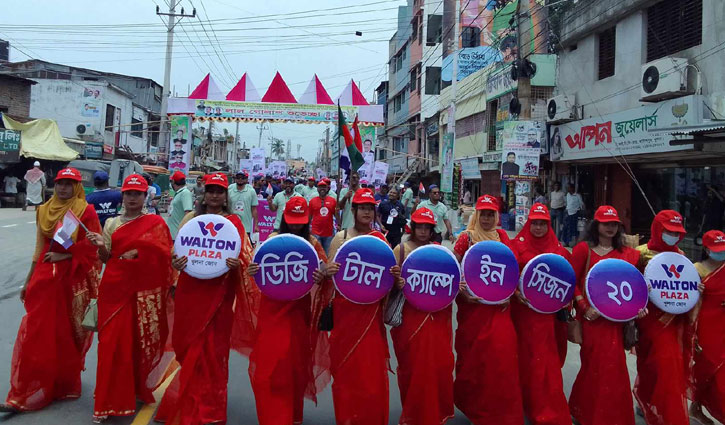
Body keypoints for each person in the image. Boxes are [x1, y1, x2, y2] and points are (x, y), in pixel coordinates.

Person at [155, 172, 255, 425]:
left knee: (213, 351)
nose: (214, 195)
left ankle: (208, 408)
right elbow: (176, 252)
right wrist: (175, 262)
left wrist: (237, 263)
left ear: (226, 196)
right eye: (210, 190)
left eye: (219, 191)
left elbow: (246, 257)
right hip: (190, 290)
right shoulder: (192, 219)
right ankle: (187, 397)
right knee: (185, 346)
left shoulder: (234, 223)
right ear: (204, 193)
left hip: (219, 295)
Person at [0, 167, 102, 413]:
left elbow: (94, 246)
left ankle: (61, 384)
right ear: (53, 185)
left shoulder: (84, 211)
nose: (63, 188)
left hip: (70, 280)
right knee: (37, 330)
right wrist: (28, 279)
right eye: (60, 183)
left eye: (69, 184)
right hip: (44, 279)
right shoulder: (44, 210)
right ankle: (24, 392)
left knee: (63, 333)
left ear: (77, 187)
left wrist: (67, 255)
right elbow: (39, 248)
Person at [86, 174, 174, 423]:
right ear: (122, 196)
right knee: (111, 345)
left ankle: (132, 390)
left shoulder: (155, 222)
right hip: (114, 290)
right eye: (128, 193)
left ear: (145, 196)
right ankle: (105, 402)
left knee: (135, 345)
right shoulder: (112, 223)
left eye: (137, 194)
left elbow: (164, 255)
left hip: (142, 293)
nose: (132, 198)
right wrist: (101, 245)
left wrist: (141, 252)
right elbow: (106, 259)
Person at [246, 197, 331, 425]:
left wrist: (322, 275)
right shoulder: (271, 241)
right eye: (292, 221)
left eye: (300, 221)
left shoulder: (312, 244)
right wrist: (252, 270)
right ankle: (272, 416)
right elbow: (255, 273)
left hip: (297, 314)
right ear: (284, 218)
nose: (295, 225)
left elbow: (323, 273)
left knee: (293, 367)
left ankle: (291, 415)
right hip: (271, 312)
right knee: (268, 367)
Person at [326, 188, 401, 425]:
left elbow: (387, 280)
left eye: (370, 208)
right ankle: (347, 417)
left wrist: (395, 277)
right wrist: (329, 271)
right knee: (346, 370)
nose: (366, 212)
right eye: (362, 208)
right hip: (345, 312)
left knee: (371, 372)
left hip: (370, 315)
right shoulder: (342, 238)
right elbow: (329, 275)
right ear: (354, 210)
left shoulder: (380, 240)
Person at [568, 205, 646, 425]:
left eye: (614, 224)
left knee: (616, 368)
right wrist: (583, 306)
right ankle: (586, 412)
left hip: (617, 322)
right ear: (597, 225)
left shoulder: (627, 254)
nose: (610, 228)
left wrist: (639, 307)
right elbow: (571, 282)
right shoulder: (584, 249)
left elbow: (635, 286)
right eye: (606, 223)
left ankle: (614, 417)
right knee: (594, 366)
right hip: (592, 321)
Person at [451, 194, 523, 425]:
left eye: (491, 213)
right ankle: (476, 407)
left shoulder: (502, 236)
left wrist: (510, 293)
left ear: (496, 216)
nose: (487, 218)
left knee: (501, 359)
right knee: (475, 360)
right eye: (483, 213)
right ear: (477, 215)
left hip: (499, 310)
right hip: (473, 311)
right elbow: (452, 268)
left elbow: (512, 268)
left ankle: (498, 409)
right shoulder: (466, 238)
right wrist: (462, 292)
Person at [391, 207, 455, 425]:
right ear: (413, 227)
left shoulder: (439, 251)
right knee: (412, 366)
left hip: (435, 318)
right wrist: (396, 284)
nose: (423, 231)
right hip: (410, 318)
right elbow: (386, 283)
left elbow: (450, 281)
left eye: (428, 227)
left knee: (437, 365)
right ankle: (413, 413)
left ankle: (433, 412)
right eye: (420, 226)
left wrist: (459, 285)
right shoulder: (400, 249)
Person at [509, 203, 571, 425]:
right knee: (519, 358)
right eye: (534, 222)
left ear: (548, 224)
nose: (537, 227)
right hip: (521, 314)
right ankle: (521, 402)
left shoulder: (559, 250)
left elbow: (568, 283)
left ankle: (544, 406)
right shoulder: (515, 246)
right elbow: (508, 276)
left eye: (542, 223)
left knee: (544, 362)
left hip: (546, 318)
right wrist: (515, 292)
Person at [633, 210, 690, 425]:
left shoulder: (682, 256)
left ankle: (671, 416)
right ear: (658, 229)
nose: (673, 236)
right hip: (646, 318)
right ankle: (647, 402)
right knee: (647, 364)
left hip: (672, 319)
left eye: (677, 233)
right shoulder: (639, 253)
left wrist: (698, 288)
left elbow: (688, 288)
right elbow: (629, 286)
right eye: (668, 231)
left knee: (670, 365)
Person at [690, 230, 725, 424]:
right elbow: (686, 301)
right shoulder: (696, 269)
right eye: (717, 250)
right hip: (705, 325)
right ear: (706, 249)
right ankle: (696, 407)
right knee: (706, 369)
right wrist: (699, 293)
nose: (721, 253)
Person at [309, 178, 337, 254]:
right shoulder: (312, 201)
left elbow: (336, 215)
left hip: (329, 233)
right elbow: (309, 216)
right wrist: (307, 229)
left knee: (328, 255)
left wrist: (339, 225)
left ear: (327, 188)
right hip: (316, 233)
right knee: (319, 255)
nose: (322, 189)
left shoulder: (333, 200)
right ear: (317, 189)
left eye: (324, 187)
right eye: (320, 187)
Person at [228, 171, 259, 237]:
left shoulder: (251, 191)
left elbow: (254, 209)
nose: (240, 180)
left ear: (246, 179)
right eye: (238, 178)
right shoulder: (230, 189)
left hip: (245, 226)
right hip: (231, 224)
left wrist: (256, 225)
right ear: (235, 179)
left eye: (242, 178)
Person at [166, 171, 193, 240]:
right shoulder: (179, 193)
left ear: (173, 181)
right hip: (172, 234)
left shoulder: (185, 193)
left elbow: (188, 213)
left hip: (177, 235)